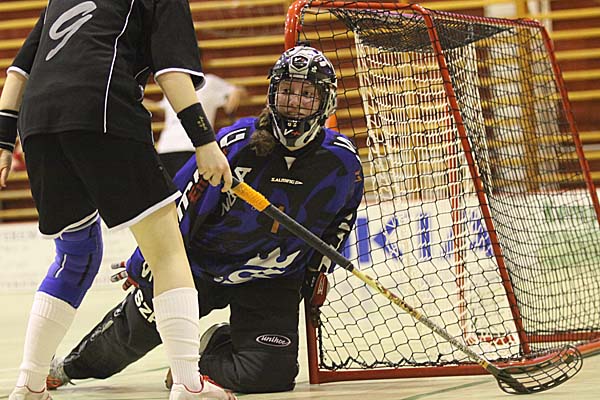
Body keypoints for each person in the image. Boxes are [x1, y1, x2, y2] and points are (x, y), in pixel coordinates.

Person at [44, 46, 364, 394]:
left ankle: (207, 354)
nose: (295, 102)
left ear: (326, 102)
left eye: (306, 94)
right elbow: (180, 204)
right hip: (200, 267)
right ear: (273, 93)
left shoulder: (343, 162)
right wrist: (145, 261)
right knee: (130, 335)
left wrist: (316, 270)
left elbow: (341, 219)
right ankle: (68, 367)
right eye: (287, 91)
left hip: (272, 279)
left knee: (271, 374)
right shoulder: (235, 145)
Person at [0, 2, 234, 400]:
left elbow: (19, 71)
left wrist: (4, 141)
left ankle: (30, 384)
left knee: (75, 256)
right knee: (167, 253)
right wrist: (204, 141)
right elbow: (171, 72)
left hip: (38, 122)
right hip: (102, 109)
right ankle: (188, 384)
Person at [149, 73, 246, 177]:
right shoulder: (178, 82)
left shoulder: (206, 82)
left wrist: (235, 94)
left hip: (179, 147)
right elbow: (166, 110)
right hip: (179, 146)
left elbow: (239, 92)